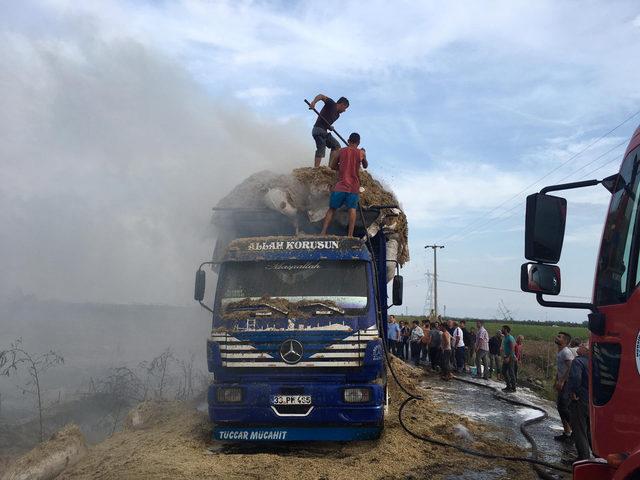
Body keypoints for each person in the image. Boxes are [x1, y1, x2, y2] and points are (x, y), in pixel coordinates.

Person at [320, 132, 368, 238]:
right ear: (358, 142)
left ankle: (323, 233)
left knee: (332, 209)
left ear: (348, 140)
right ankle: (350, 235)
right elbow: (365, 165)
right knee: (352, 209)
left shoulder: (340, 151)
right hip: (353, 187)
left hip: (340, 186)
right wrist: (364, 155)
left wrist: (341, 168)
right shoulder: (360, 152)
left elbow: (332, 166)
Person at [308, 94, 349, 167]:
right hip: (318, 129)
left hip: (324, 131)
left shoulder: (337, 115)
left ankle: (330, 166)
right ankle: (316, 168)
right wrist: (313, 102)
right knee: (321, 146)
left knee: (336, 145)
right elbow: (321, 96)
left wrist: (330, 127)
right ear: (342, 104)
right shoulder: (331, 103)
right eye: (345, 108)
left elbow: (326, 123)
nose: (345, 110)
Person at [567, 342, 591, 460]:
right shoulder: (594, 362)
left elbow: (576, 378)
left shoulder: (578, 361)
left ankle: (583, 458)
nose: (580, 346)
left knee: (579, 429)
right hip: (591, 401)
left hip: (580, 399)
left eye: (582, 345)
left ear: (586, 350)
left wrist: (574, 392)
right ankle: (597, 456)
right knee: (589, 429)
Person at [554, 332, 576, 442]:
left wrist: (562, 381)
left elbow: (570, 367)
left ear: (565, 341)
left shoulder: (566, 352)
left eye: (559, 337)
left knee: (564, 408)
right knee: (560, 408)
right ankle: (567, 433)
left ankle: (575, 433)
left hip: (566, 384)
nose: (556, 337)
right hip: (561, 382)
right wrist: (556, 381)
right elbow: (560, 369)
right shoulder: (560, 351)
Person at [501, 325, 517, 392]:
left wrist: (509, 357)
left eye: (503, 329)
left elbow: (512, 348)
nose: (501, 330)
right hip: (506, 356)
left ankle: (513, 388)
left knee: (511, 372)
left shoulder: (510, 338)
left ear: (506, 330)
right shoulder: (505, 337)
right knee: (504, 371)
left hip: (510, 357)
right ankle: (508, 386)